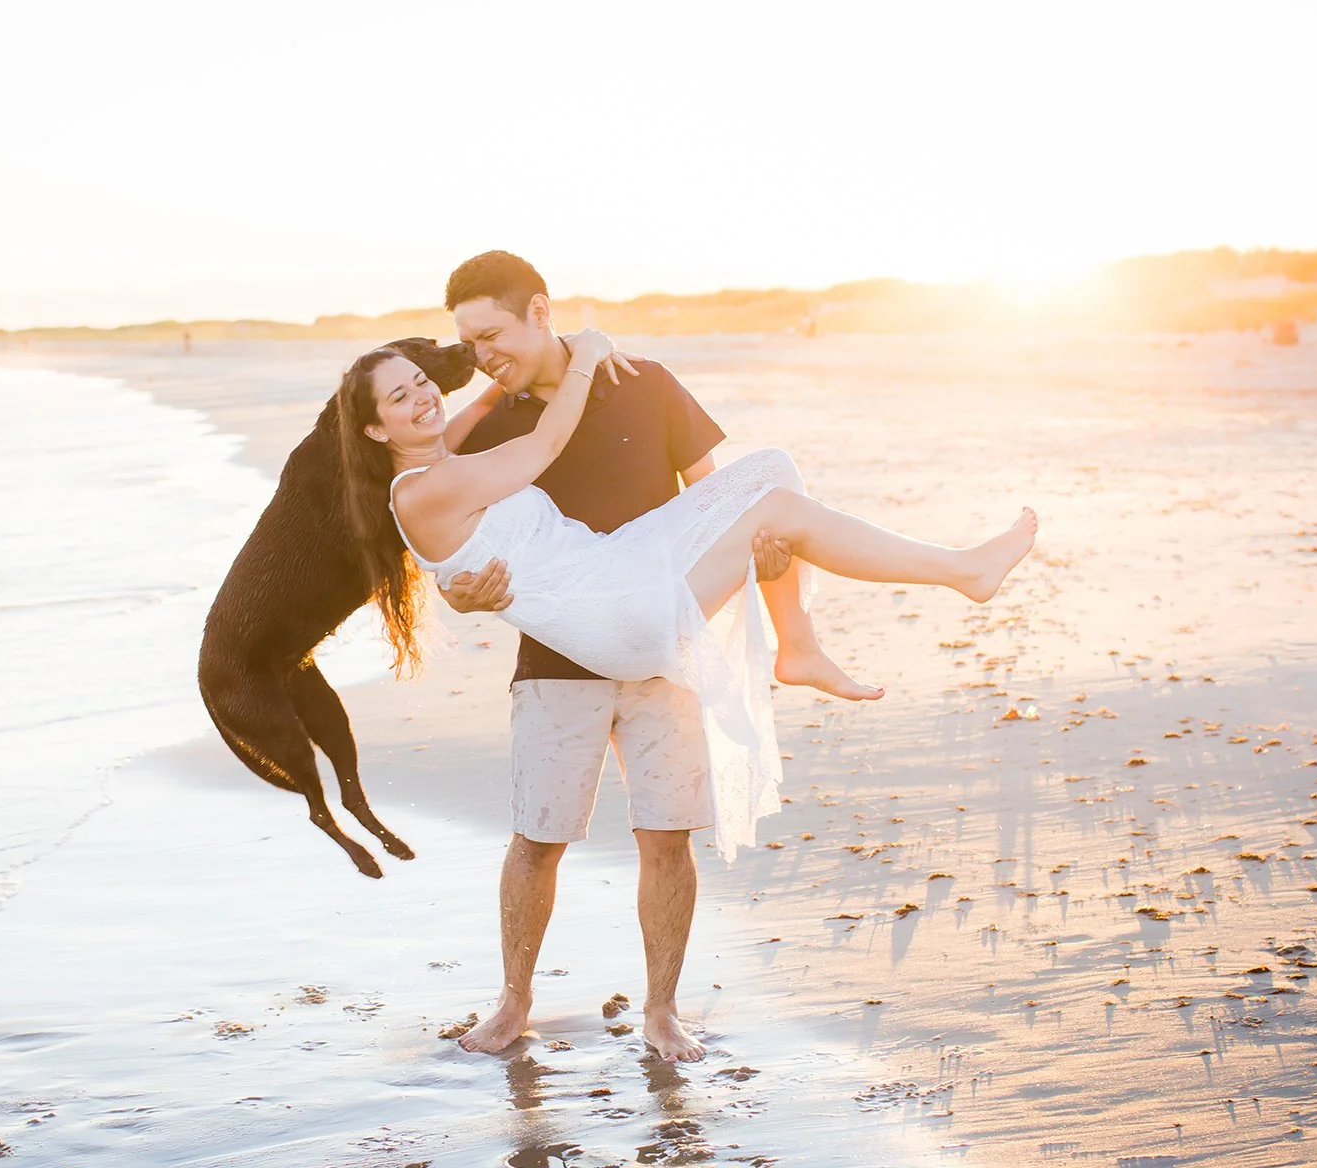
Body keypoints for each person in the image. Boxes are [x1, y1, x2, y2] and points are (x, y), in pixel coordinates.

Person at [337, 253, 1036, 1060]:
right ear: (377, 425)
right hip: (576, 640)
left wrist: (765, 561)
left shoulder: (644, 382)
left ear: (539, 309)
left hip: (640, 582)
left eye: (488, 336)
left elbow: (709, 494)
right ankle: (512, 1002)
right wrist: (460, 587)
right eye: (453, 354)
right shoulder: (475, 442)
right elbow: (463, 519)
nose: (458, 371)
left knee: (772, 479)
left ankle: (663, 1007)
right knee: (539, 838)